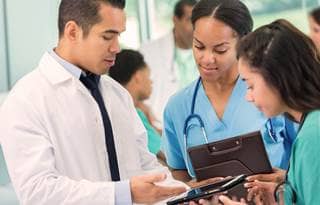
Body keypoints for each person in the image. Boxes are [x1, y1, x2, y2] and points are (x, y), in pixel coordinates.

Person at [0, 0, 187, 204]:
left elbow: (147, 167)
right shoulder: (25, 100)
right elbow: (38, 192)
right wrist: (124, 193)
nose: (117, 47)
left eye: (119, 36)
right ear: (72, 32)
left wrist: (189, 195)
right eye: (107, 36)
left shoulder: (117, 94)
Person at [162, 0, 297, 184]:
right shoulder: (177, 107)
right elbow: (178, 171)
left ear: (244, 42)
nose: (207, 59)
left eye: (220, 49)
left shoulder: (273, 92)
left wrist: (284, 181)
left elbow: (307, 158)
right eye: (199, 46)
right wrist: (190, 189)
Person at [205, 19, 320, 205]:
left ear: (277, 77)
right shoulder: (311, 124)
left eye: (250, 85)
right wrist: (282, 190)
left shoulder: (313, 136)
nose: (248, 97)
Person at [140, 0, 198, 126]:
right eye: (190, 20)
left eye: (198, 21)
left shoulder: (207, 54)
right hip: (162, 127)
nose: (195, 28)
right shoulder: (148, 52)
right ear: (175, 20)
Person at [108, 49, 163, 159]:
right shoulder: (135, 115)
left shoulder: (113, 109)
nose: (151, 82)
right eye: (148, 76)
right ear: (138, 76)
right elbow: (164, 154)